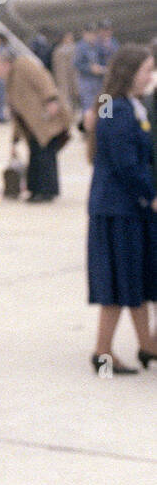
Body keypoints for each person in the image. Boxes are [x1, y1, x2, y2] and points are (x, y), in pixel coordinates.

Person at [85, 45, 157, 376]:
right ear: (130, 73)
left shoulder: (130, 105)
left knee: (134, 280)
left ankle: (147, 346)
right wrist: (151, 194)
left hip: (129, 208)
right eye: (146, 70)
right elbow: (124, 162)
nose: (150, 76)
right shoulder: (114, 107)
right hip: (117, 210)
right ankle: (103, 352)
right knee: (116, 282)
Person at [0, 49, 72, 202]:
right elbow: (16, 113)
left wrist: (51, 99)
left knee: (45, 156)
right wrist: (14, 140)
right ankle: (35, 190)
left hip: (45, 118)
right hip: (32, 125)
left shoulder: (23, 64)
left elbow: (43, 79)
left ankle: (47, 192)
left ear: (5, 63)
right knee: (36, 156)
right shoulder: (10, 79)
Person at [52, 31, 80, 116]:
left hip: (75, 76)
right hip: (64, 77)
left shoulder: (76, 48)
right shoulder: (59, 51)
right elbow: (60, 68)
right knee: (66, 96)